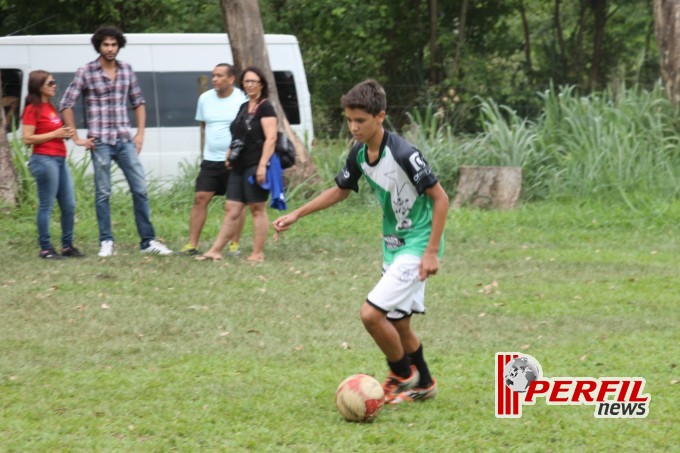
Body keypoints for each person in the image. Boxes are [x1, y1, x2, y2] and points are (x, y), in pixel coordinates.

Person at [273, 80, 448, 404]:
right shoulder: (359, 153)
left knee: (371, 315)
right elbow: (340, 189)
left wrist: (431, 251)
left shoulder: (405, 155)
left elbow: (441, 198)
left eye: (360, 121)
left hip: (416, 246)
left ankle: (401, 373)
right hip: (393, 246)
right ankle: (423, 381)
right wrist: (297, 213)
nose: (353, 127)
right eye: (349, 120)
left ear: (380, 116)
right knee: (398, 322)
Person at [59, 26, 172, 257]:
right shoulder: (86, 71)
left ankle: (148, 241)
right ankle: (106, 241)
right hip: (99, 141)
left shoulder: (127, 70)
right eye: (105, 44)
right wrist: (77, 138)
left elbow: (138, 102)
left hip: (124, 139)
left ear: (119, 45)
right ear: (98, 46)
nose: (110, 49)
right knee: (103, 192)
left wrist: (140, 134)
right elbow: (66, 103)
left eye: (114, 44)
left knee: (140, 189)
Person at [197, 66, 277, 263]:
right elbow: (238, 134)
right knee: (231, 208)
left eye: (253, 82)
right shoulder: (243, 107)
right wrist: (229, 153)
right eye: (246, 82)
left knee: (257, 209)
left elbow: (271, 138)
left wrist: (262, 166)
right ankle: (215, 250)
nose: (249, 85)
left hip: (255, 165)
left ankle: (257, 253)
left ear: (261, 85)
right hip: (238, 166)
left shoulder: (266, 107)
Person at [180, 64, 248, 256]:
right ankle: (192, 244)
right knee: (200, 198)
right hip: (211, 159)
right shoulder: (205, 98)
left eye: (219, 76)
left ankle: (234, 244)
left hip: (235, 160)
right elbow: (203, 124)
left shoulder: (241, 99)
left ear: (231, 79)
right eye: (213, 76)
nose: (215, 79)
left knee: (236, 203)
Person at [21, 70, 84, 260]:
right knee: (46, 206)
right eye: (50, 83)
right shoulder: (33, 108)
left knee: (69, 205)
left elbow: (52, 131)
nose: (54, 85)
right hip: (44, 159)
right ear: (39, 86)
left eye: (54, 82)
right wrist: (55, 134)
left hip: (59, 159)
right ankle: (46, 248)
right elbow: (27, 139)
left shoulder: (51, 107)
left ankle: (67, 246)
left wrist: (64, 133)